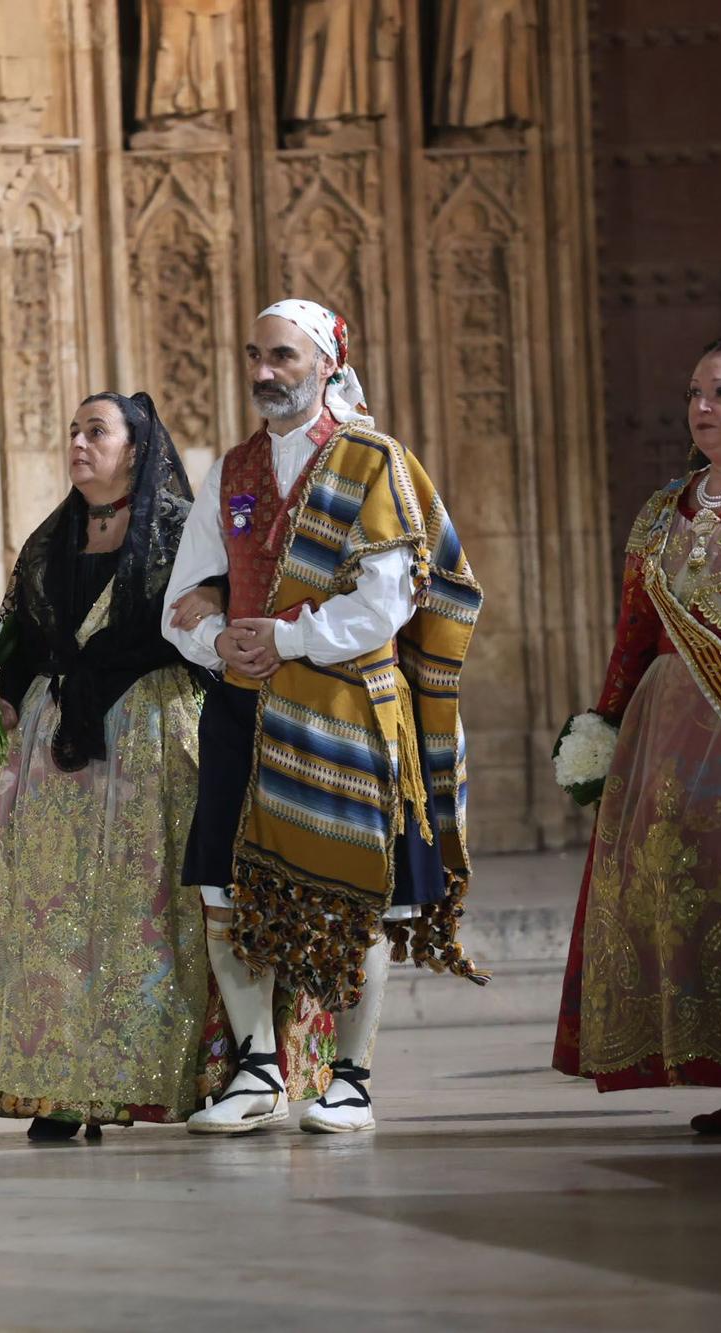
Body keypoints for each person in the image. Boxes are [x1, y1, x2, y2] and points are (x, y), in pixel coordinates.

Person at [161, 298, 485, 1135]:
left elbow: (388, 598)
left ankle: (351, 1078)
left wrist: (286, 637)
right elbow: (188, 587)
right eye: (256, 356)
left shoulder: (373, 462)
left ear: (329, 366)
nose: (265, 371)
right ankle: (258, 1067)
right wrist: (213, 639)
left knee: (356, 892)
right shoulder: (231, 469)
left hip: (342, 707)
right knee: (223, 887)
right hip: (243, 707)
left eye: (284, 357)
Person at [0, 392, 221, 1140]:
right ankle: (57, 1083)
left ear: (137, 445)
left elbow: (206, 620)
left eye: (98, 430)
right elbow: (22, 633)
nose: (80, 443)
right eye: (74, 432)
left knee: (138, 915)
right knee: (51, 919)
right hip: (54, 751)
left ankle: (141, 1076)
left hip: (148, 736)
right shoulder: (51, 537)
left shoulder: (178, 532)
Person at [557, 329, 721, 1133]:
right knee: (705, 898)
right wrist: (601, 731)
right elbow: (634, 633)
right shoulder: (664, 510)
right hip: (671, 741)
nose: (701, 408)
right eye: (694, 395)